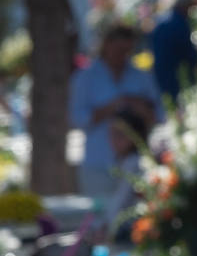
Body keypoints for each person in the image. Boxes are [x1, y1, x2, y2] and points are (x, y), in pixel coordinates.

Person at [69, 25, 162, 204]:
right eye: (119, 50)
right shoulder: (85, 78)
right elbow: (77, 118)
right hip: (98, 163)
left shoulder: (141, 76)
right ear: (106, 46)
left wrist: (141, 108)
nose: (123, 56)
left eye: (128, 51)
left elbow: (159, 114)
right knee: (98, 220)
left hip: (135, 163)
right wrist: (112, 107)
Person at [150, 0, 197, 104]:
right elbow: (188, 52)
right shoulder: (179, 23)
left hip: (160, 72)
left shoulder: (160, 19)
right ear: (184, 6)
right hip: (175, 73)